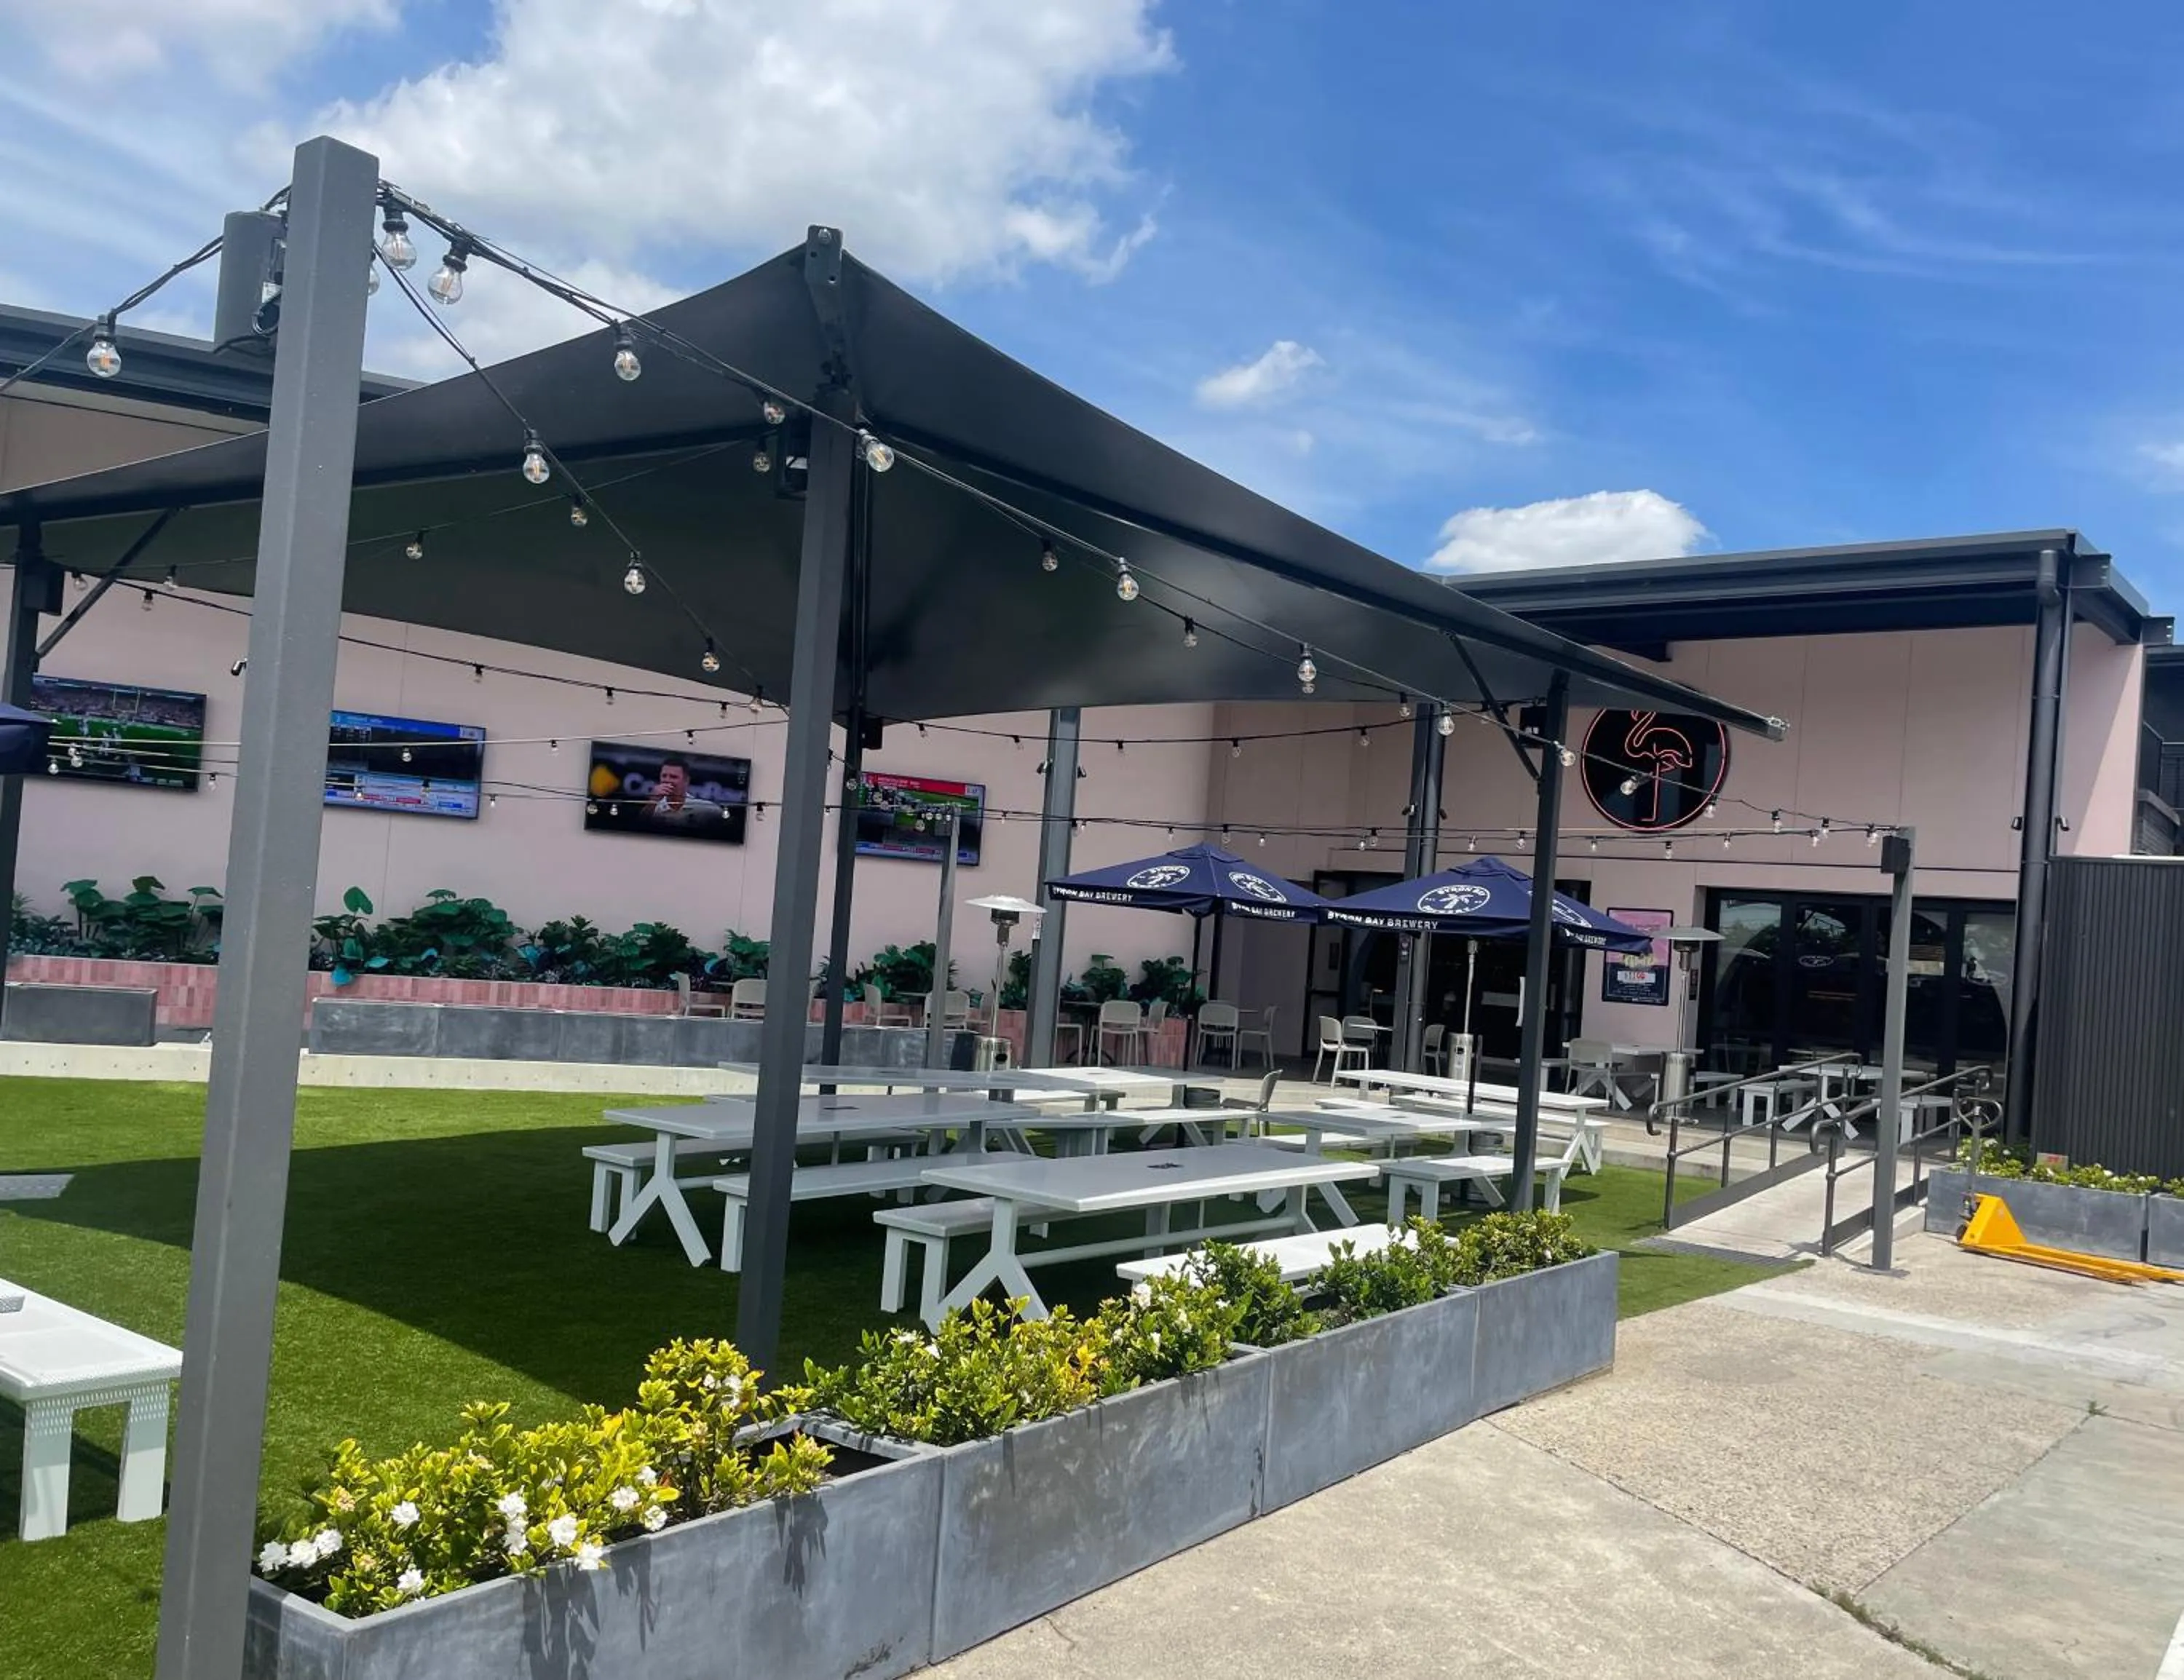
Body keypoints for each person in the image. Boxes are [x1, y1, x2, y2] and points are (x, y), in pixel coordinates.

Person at [642, 758, 723, 829]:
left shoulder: (706, 808)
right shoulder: (652, 808)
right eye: (664, 776)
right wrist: (652, 802)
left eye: (673, 777)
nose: (667, 780)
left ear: (686, 781)